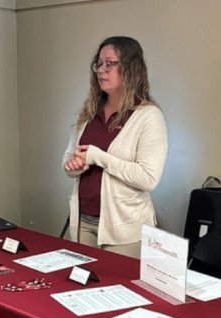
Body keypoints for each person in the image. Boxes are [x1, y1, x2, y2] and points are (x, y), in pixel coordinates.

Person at [62, 36, 168, 259]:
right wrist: (75, 165)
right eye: (98, 64)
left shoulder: (148, 116)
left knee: (118, 292)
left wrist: (99, 157)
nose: (101, 70)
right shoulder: (91, 112)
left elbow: (148, 178)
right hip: (83, 223)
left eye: (109, 64)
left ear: (130, 68)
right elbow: (69, 161)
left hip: (124, 232)